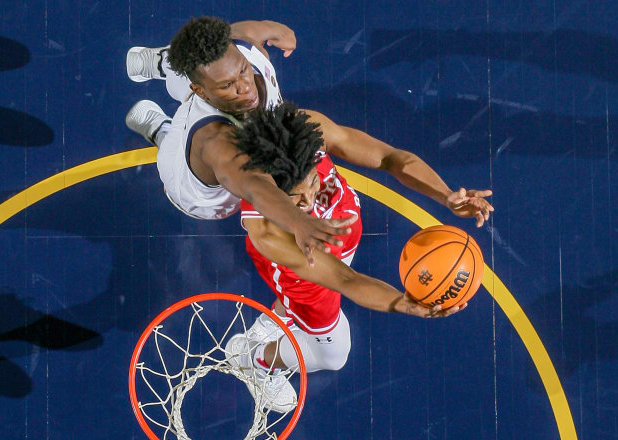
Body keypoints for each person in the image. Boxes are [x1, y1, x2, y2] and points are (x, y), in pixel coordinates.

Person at [225, 102, 481, 413]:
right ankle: (257, 360)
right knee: (334, 357)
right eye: (296, 197)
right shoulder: (266, 231)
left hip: (337, 241)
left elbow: (391, 158)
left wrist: (446, 195)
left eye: (313, 183)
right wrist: (406, 305)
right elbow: (345, 280)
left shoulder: (305, 132)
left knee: (310, 291)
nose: (310, 200)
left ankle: (273, 321)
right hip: (301, 273)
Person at [125, 17, 353, 265]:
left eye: (243, 71)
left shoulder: (244, 50)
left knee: (205, 66)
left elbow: (246, 31)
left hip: (208, 96)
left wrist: (279, 31)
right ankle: (160, 128)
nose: (245, 87)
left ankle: (165, 62)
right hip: (198, 189)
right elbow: (255, 186)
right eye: (229, 85)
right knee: (173, 144)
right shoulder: (216, 140)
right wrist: (297, 221)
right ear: (202, 92)